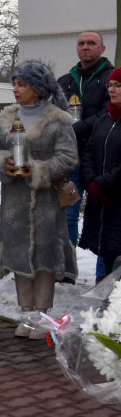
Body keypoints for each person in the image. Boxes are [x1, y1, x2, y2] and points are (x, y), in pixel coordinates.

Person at [0, 61, 78, 338]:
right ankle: (26, 314)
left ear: (37, 89)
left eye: (21, 84)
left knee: (45, 260)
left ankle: (43, 315)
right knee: (20, 258)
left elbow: (68, 157)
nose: (15, 89)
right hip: (14, 203)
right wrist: (5, 163)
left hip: (46, 203)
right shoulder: (3, 119)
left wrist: (37, 170)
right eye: (14, 83)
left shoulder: (58, 119)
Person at [58, 31, 114, 275]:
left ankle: (105, 275)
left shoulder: (111, 79)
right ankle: (67, 269)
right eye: (81, 43)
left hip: (100, 163)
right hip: (71, 163)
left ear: (102, 49)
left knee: (104, 218)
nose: (85, 47)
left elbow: (107, 114)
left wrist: (76, 129)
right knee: (67, 211)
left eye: (91, 43)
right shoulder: (65, 81)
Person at [79, 66, 121, 283]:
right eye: (110, 85)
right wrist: (90, 183)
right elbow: (89, 152)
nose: (113, 90)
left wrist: (103, 185)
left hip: (116, 201)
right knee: (106, 255)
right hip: (101, 204)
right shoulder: (104, 119)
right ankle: (106, 310)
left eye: (118, 85)